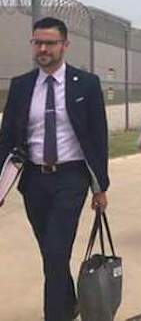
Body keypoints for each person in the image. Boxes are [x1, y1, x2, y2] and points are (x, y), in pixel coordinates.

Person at [0, 17, 109, 321]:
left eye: (50, 42)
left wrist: (100, 187)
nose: (43, 48)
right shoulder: (22, 85)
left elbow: (98, 138)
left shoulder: (86, 84)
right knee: (51, 253)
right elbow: (7, 136)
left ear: (65, 45)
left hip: (71, 178)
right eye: (38, 42)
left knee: (57, 251)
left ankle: (55, 315)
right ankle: (71, 301)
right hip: (33, 180)